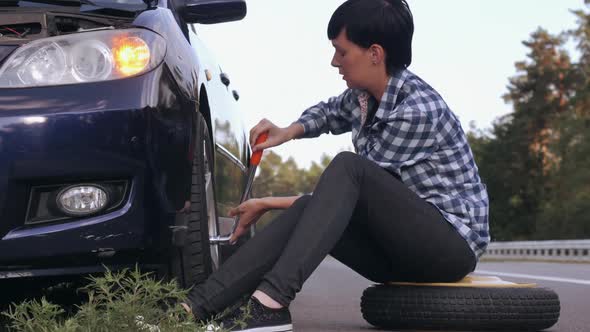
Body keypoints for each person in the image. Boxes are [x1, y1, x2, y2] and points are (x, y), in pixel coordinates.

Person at [183, 0, 489, 331]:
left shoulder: (417, 111)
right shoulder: (364, 96)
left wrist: (268, 203)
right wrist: (288, 131)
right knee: (313, 204)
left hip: (447, 247)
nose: (334, 62)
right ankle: (195, 308)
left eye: (341, 52)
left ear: (375, 53)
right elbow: (329, 113)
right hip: (396, 250)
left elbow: (348, 197)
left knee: (348, 167)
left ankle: (271, 303)